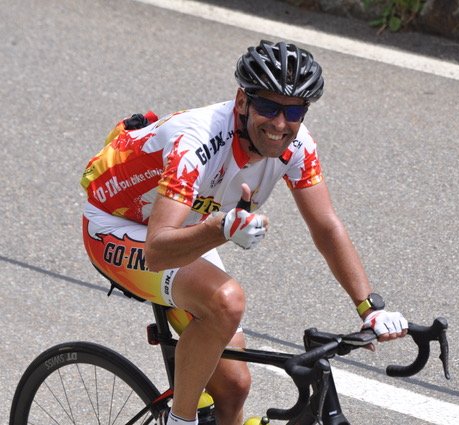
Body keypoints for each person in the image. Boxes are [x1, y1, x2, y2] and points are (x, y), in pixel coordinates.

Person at [81, 40, 408, 425]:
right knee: (226, 302)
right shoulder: (197, 143)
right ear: (242, 101)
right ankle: (179, 420)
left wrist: (369, 307)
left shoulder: (297, 146)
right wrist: (220, 229)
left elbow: (326, 226)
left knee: (234, 386)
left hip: (185, 226)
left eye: (294, 111)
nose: (280, 124)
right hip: (117, 227)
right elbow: (158, 251)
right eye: (268, 107)